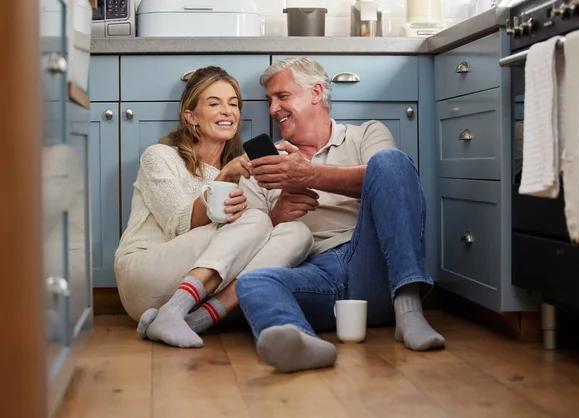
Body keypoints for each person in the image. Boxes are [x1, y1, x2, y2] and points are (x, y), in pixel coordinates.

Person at [235, 57, 446, 373]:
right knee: (252, 282)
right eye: (269, 100)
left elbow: (390, 179)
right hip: (314, 273)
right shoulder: (265, 164)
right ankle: (302, 343)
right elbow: (246, 240)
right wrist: (277, 214)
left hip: (372, 263)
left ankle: (409, 310)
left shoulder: (365, 135)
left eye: (282, 96)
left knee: (390, 162)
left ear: (316, 93)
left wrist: (308, 174)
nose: (272, 109)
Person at [113, 66, 313, 349]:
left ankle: (196, 320)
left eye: (233, 104)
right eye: (214, 103)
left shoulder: (247, 173)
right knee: (255, 220)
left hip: (201, 293)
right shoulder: (160, 157)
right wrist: (225, 176)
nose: (227, 111)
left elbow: (254, 243)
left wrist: (283, 206)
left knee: (297, 233)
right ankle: (172, 311)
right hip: (145, 276)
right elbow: (178, 225)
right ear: (191, 117)